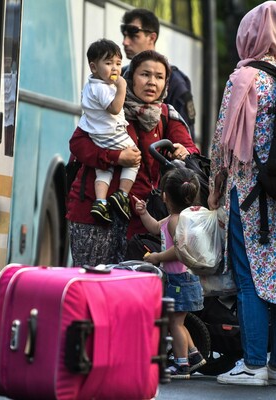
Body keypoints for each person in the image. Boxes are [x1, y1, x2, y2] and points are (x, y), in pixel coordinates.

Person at [207, 1, 276, 386]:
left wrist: (214, 190)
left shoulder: (244, 79)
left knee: (249, 278)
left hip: (249, 196)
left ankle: (253, 364)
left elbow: (223, 145)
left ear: (248, 35)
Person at [66, 50, 199, 267]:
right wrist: (116, 157)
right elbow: (78, 145)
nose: (152, 82)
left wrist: (183, 152)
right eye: (145, 74)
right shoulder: (107, 106)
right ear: (129, 77)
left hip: (141, 219)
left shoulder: (167, 114)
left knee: (132, 291)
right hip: (97, 214)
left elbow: (190, 149)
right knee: (95, 286)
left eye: (159, 77)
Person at [134, 167, 207, 379]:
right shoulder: (175, 218)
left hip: (181, 279)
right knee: (177, 321)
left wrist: (156, 257)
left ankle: (181, 364)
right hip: (180, 278)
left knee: (174, 323)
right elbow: (156, 228)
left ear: (165, 195)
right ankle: (193, 355)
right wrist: (143, 213)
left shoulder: (177, 221)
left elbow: (179, 250)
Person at [78, 39, 137, 224]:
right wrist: (122, 87)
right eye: (109, 63)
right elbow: (115, 108)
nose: (115, 69)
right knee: (134, 157)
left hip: (98, 136)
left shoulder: (89, 86)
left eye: (118, 64)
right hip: (111, 134)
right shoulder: (102, 88)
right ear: (94, 68)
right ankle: (122, 194)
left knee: (104, 169)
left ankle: (100, 202)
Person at [121, 8, 197, 139]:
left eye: (134, 35)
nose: (125, 42)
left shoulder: (175, 81)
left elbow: (185, 138)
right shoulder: (120, 76)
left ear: (152, 37)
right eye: (124, 35)